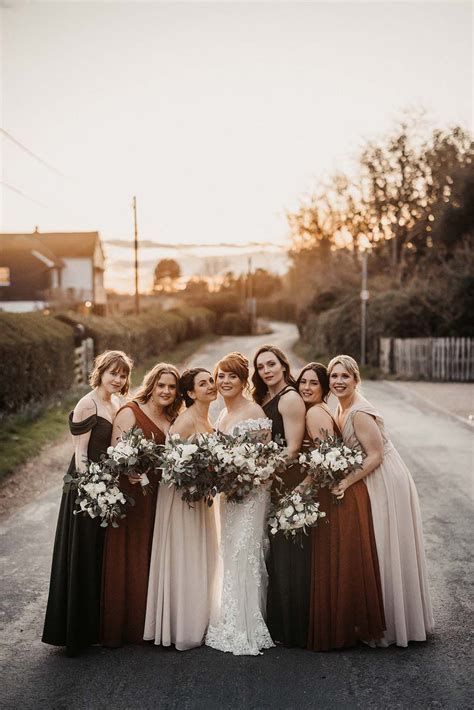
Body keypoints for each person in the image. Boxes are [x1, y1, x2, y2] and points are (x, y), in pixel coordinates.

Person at [328, 354, 434, 647]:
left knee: (386, 544)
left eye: (344, 376)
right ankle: (382, 616)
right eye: (334, 376)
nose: (338, 381)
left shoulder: (359, 411)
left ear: (355, 379)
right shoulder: (340, 406)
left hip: (385, 477)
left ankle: (394, 623)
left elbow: (374, 454)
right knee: (379, 545)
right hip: (370, 475)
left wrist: (347, 482)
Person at [42, 350, 133, 656]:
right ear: (101, 371)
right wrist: (92, 490)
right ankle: (74, 631)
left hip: (106, 484)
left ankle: (95, 625)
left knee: (99, 554)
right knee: (81, 552)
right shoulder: (87, 403)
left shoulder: (117, 402)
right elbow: (80, 455)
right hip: (85, 488)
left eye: (122, 375)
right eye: (113, 373)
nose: (118, 380)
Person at [297, 362, 385, 651]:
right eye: (303, 383)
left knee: (346, 553)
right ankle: (352, 622)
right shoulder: (332, 409)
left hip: (352, 485)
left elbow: (365, 455)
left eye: (314, 382)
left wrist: (308, 488)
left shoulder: (329, 412)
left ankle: (350, 625)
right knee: (348, 554)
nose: (307, 388)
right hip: (344, 484)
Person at [101, 363, 181, 648]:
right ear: (151, 385)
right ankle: (123, 625)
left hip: (160, 494)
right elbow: (116, 452)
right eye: (161, 385)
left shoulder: (173, 417)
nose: (166, 391)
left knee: (152, 554)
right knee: (130, 553)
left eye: (172, 387)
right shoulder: (130, 411)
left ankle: (149, 623)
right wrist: (129, 470)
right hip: (132, 493)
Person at [144, 368, 218, 650]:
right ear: (189, 393)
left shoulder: (206, 417)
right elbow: (170, 468)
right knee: (186, 556)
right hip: (181, 500)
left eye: (211, 381)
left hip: (200, 499)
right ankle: (182, 627)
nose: (211, 386)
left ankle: (200, 618)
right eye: (203, 383)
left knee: (200, 554)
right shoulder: (184, 422)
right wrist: (197, 479)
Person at [206, 352, 274, 655]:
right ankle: (231, 617)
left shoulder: (254, 412)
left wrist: (242, 479)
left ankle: (248, 625)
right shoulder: (222, 414)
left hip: (250, 496)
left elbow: (266, 461)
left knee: (245, 552)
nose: (225, 381)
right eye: (221, 375)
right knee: (230, 551)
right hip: (228, 495)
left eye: (232, 376)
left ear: (243, 380)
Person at [252, 345, 307, 648]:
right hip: (268, 480)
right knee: (270, 550)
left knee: (286, 553)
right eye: (260, 367)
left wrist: (264, 471)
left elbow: (294, 448)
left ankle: (291, 626)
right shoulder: (263, 398)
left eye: (271, 364)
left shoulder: (290, 399)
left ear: (283, 366)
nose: (266, 370)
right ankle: (274, 620)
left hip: (286, 481)